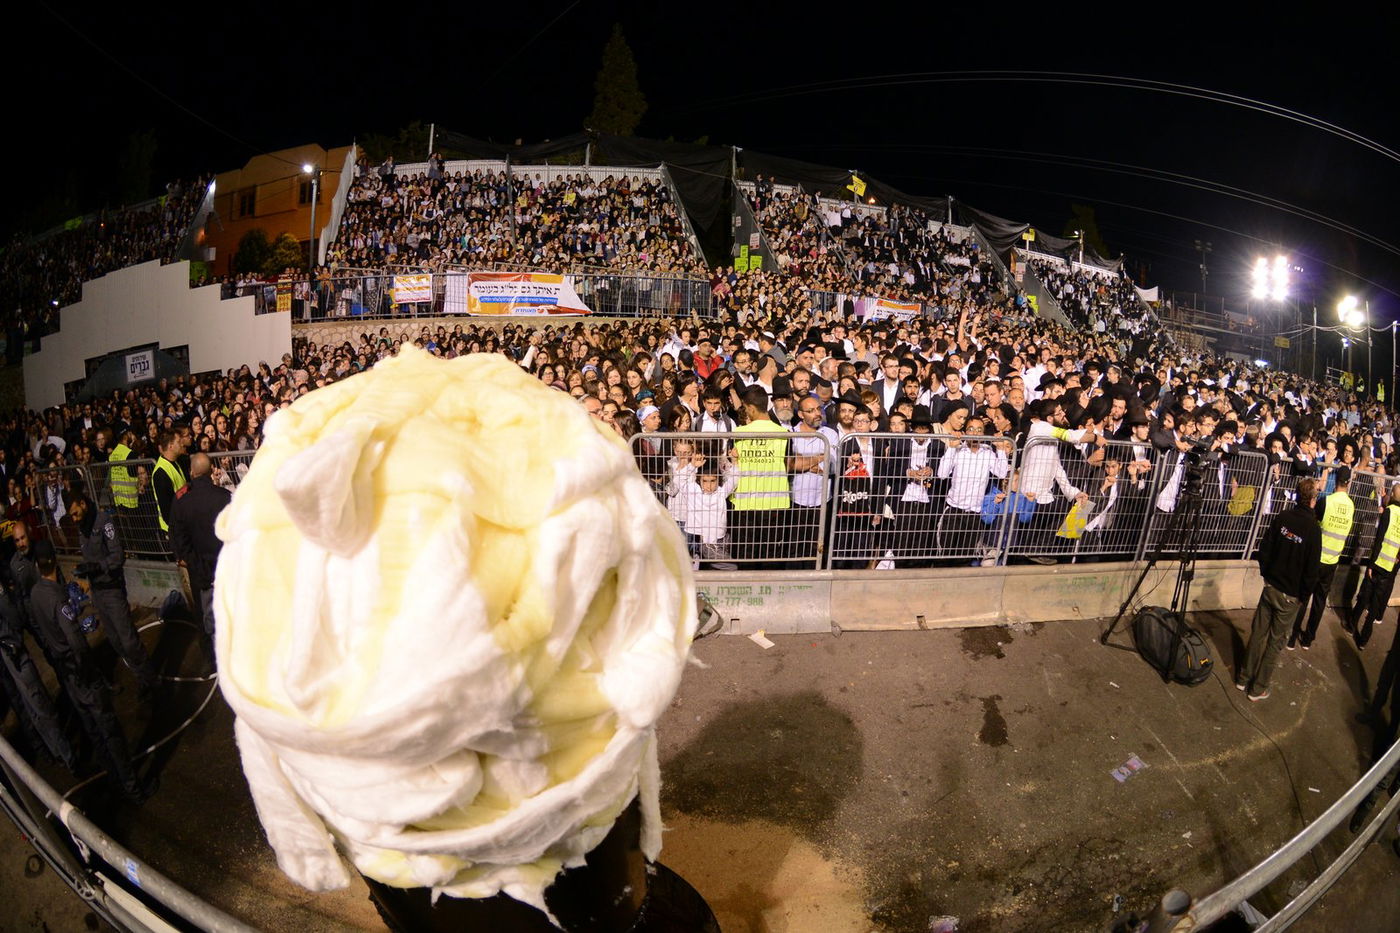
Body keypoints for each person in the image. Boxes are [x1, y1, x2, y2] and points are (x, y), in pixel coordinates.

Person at [30, 540, 150, 801]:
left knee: (93, 729)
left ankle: (114, 779)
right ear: (52, 560)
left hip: (66, 672)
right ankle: (132, 787)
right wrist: (86, 668)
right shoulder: (56, 596)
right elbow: (75, 640)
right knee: (108, 728)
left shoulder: (35, 594)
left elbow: (40, 630)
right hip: (78, 670)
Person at [1237, 478, 1322, 701]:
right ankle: (1257, 688)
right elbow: (1312, 571)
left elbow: (1265, 547)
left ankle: (1243, 677)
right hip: (1289, 596)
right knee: (1274, 643)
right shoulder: (1313, 530)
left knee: (1258, 634)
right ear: (1313, 499)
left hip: (1271, 587)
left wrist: (1267, 575)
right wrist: (1303, 597)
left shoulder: (1284, 517)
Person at [72, 493, 157, 695]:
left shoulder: (103, 522)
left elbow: (118, 555)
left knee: (129, 641)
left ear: (83, 503)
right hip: (97, 593)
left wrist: (97, 566)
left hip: (112, 589)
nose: (74, 519)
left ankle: (151, 680)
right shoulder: (81, 527)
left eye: (75, 513)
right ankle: (141, 677)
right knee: (116, 641)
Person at [168, 452, 232, 658]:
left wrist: (196, 566)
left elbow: (179, 539)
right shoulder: (224, 497)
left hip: (199, 573)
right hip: (226, 569)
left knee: (207, 619)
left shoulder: (181, 502)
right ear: (210, 470)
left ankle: (214, 659)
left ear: (192, 472)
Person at [1289, 464, 1354, 650]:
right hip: (1333, 561)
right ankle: (1308, 639)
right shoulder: (1351, 506)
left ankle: (1292, 637)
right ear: (1348, 483)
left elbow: (1312, 523)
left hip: (1316, 558)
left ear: (1336, 482)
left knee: (1304, 596)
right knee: (1319, 601)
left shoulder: (1327, 501)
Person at [729, 385, 792, 565]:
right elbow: (788, 465)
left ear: (750, 408)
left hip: (746, 501)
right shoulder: (783, 433)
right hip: (775, 501)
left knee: (746, 556)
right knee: (771, 557)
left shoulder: (738, 433)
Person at [1349, 484, 1400, 650]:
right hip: (1390, 566)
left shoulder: (1389, 512)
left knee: (1365, 596)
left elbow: (1379, 539)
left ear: (1392, 495)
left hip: (1377, 563)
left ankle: (1351, 624)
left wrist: (1370, 564)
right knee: (1376, 604)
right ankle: (1363, 639)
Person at [152, 430, 187, 539]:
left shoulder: (175, 462)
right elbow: (166, 509)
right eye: (178, 441)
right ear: (171, 446)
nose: (182, 444)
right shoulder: (160, 473)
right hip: (174, 529)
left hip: (182, 523)